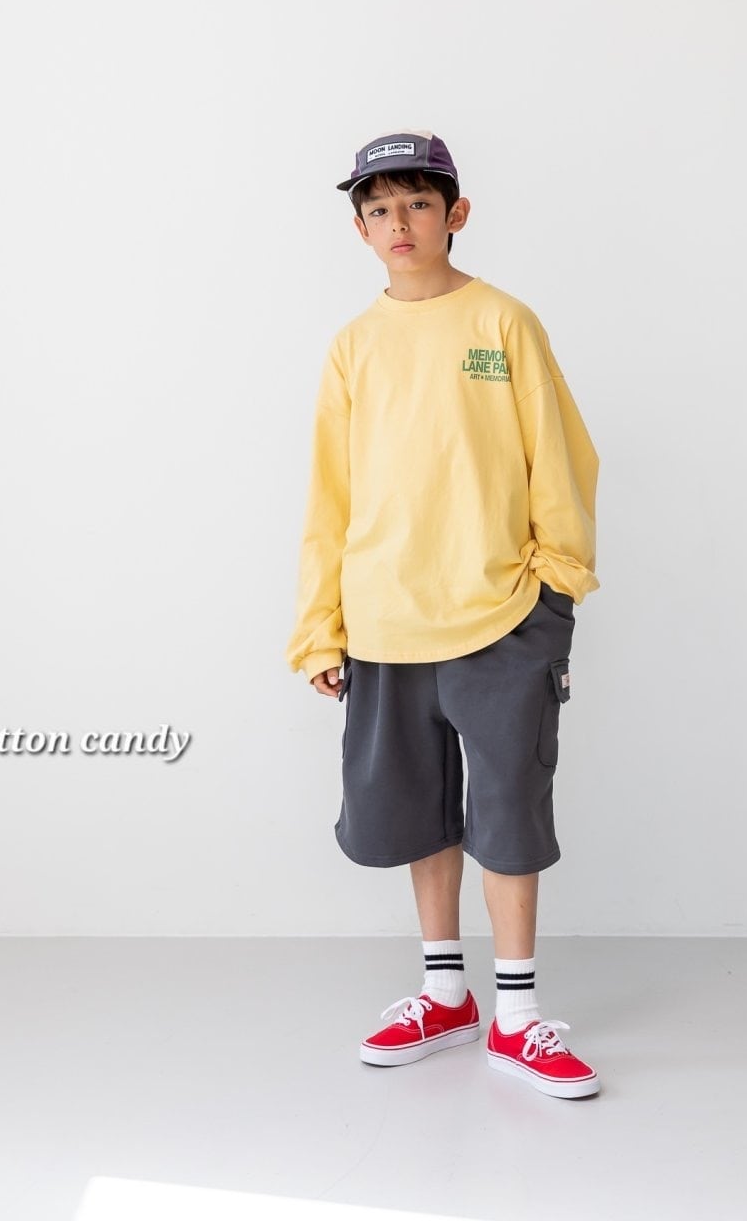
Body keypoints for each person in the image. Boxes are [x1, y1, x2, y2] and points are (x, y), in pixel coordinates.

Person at [284, 129, 601, 1099]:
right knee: (419, 809)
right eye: (378, 208)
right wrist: (321, 623)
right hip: (384, 618)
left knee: (507, 810)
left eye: (417, 203)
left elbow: (560, 455)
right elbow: (329, 496)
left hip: (501, 611)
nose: (399, 223)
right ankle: (444, 991)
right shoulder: (352, 346)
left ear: (454, 213)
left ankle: (516, 1013)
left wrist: (554, 585)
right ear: (358, 228)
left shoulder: (502, 323)